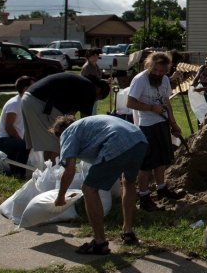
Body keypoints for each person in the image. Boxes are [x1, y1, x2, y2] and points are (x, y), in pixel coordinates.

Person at [53, 114, 149, 255]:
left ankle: (100, 243)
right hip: (139, 139)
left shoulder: (68, 132)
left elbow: (70, 170)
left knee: (89, 189)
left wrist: (61, 196)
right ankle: (128, 232)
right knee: (128, 183)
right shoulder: (89, 124)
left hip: (117, 141)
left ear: (59, 133)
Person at [126, 51, 184, 211]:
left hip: (162, 124)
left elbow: (166, 102)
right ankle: (144, 196)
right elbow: (130, 102)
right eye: (155, 70)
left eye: (162, 71)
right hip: (146, 126)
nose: (158, 73)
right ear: (149, 66)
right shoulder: (140, 80)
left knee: (161, 160)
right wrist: (151, 107)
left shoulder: (165, 79)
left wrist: (173, 123)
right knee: (147, 164)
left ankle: (162, 188)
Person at [21, 73, 110, 162]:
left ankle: (47, 170)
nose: (95, 100)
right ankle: (54, 171)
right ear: (99, 90)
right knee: (58, 141)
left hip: (28, 97)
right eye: (98, 98)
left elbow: (70, 116)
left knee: (49, 143)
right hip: (41, 103)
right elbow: (86, 121)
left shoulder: (80, 85)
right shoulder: (90, 89)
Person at [0, 76, 34, 177]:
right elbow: (9, 128)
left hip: (11, 139)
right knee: (24, 146)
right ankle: (18, 174)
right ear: (25, 89)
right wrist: (21, 141)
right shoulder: (15, 104)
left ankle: (16, 171)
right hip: (3, 140)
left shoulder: (23, 102)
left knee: (26, 145)